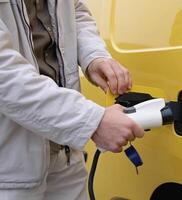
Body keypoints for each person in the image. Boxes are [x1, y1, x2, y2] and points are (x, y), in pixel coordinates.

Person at [0, 0, 145, 199]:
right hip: (9, 164)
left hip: (64, 150)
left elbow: (74, 10)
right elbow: (5, 76)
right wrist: (91, 121)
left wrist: (94, 56)